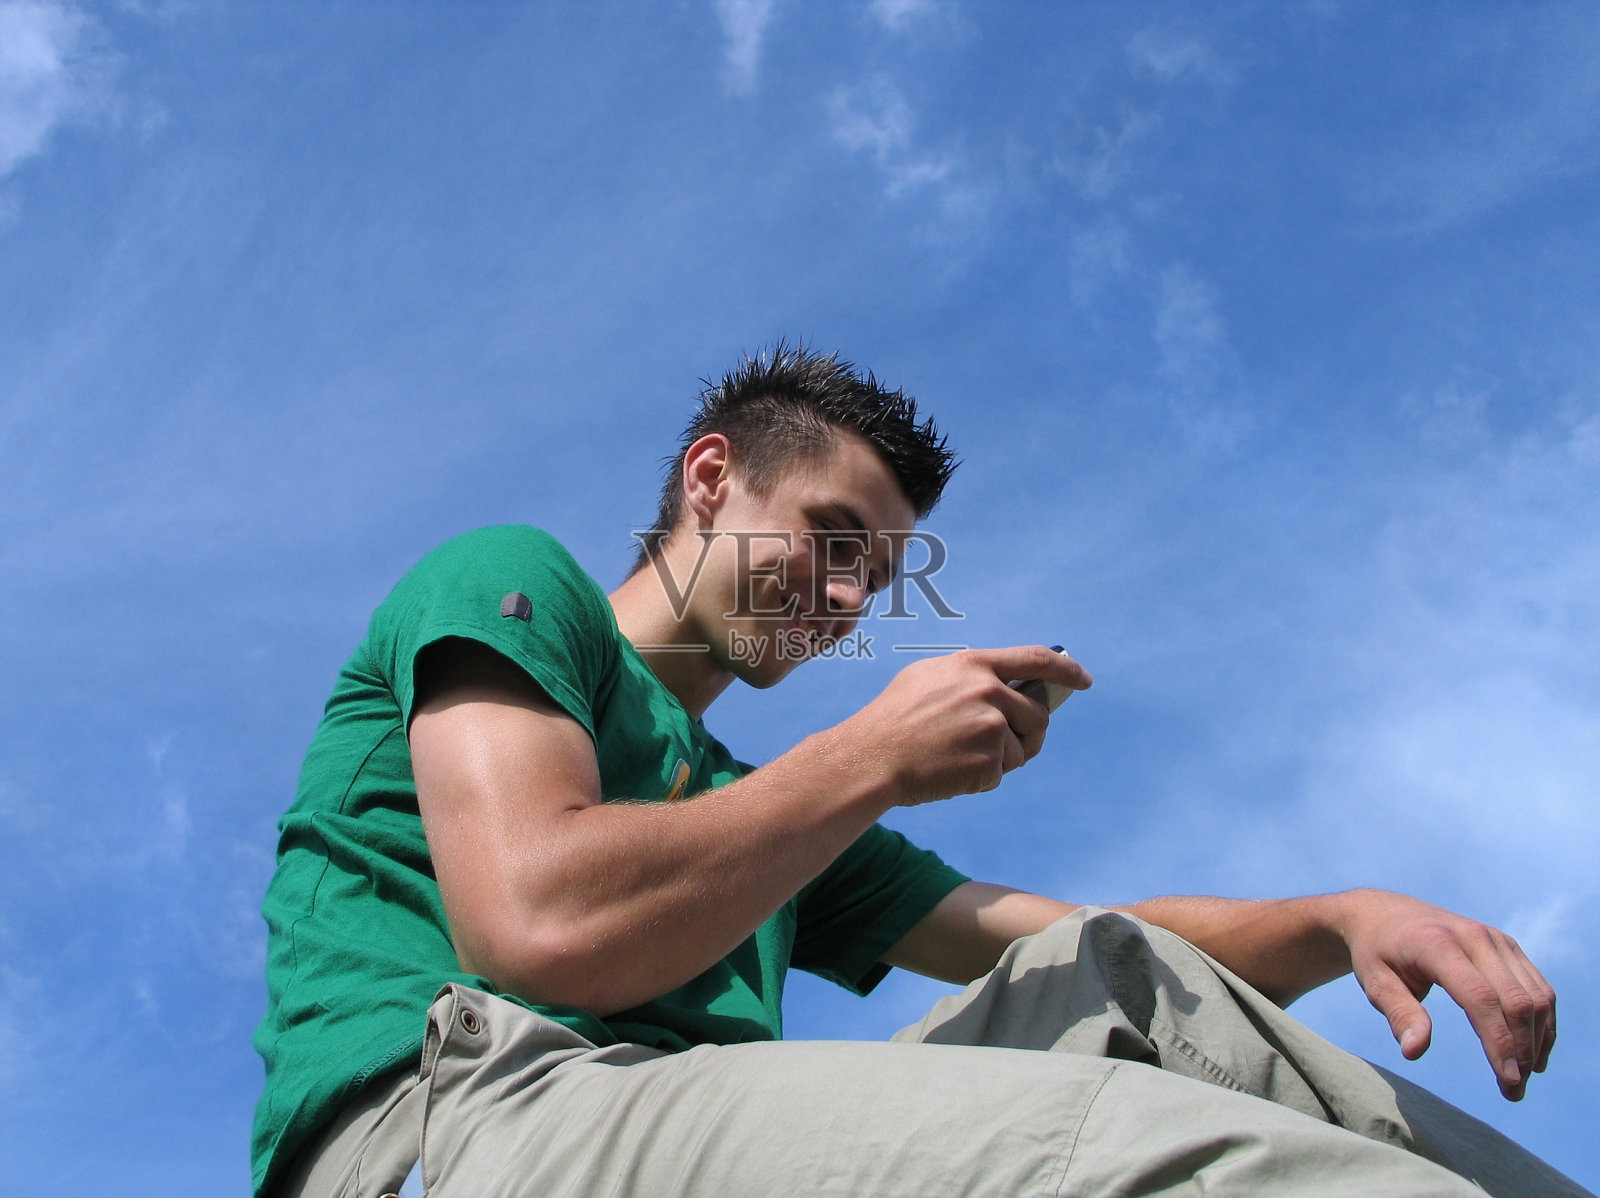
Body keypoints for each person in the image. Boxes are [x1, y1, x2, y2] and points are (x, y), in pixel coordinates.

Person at [252, 345, 1588, 1198]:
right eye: (831, 541)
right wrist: (875, 755)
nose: (847, 602)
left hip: (663, 1127)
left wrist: (1340, 917)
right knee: (1149, 1152)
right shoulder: (512, 582)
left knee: (1119, 975)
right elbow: (536, 920)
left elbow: (1076, 936)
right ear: (711, 479)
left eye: (877, 580)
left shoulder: (767, 819)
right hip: (468, 1125)